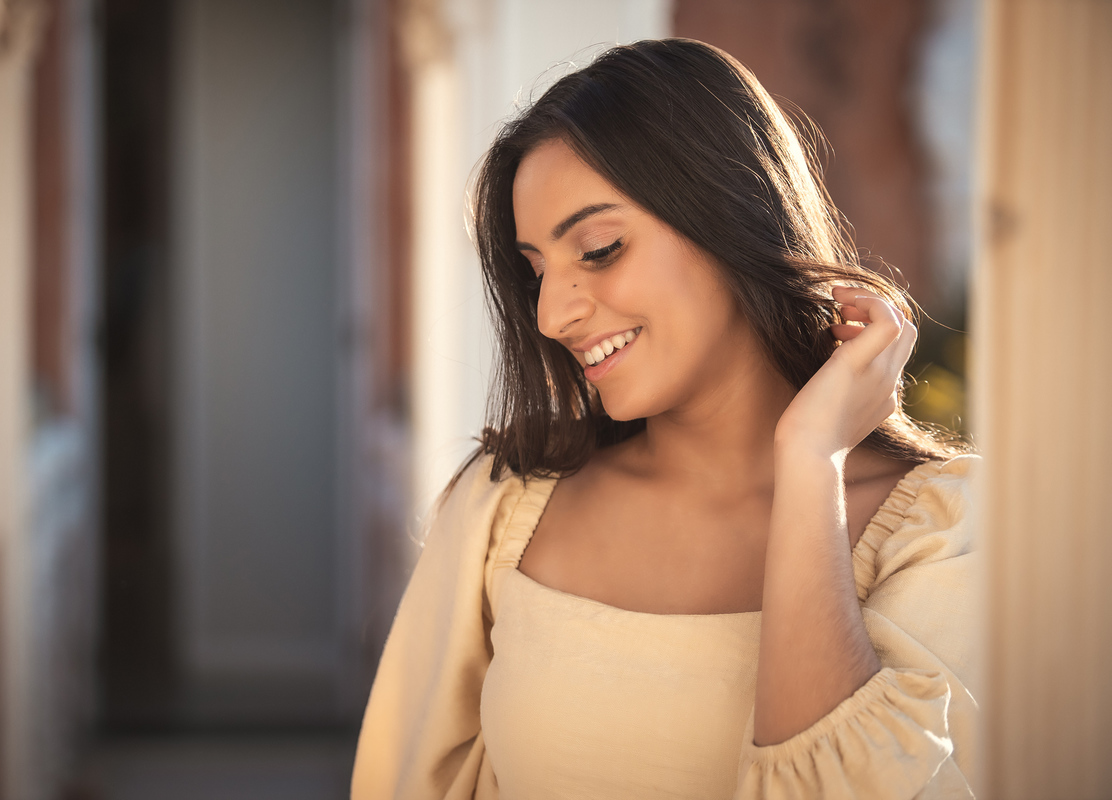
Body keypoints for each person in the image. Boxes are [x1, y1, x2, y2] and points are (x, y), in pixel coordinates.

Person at [352, 38, 977, 799]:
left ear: (734, 216)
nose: (550, 315)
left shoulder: (943, 535)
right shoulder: (500, 507)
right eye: (536, 271)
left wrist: (812, 460)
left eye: (599, 249)